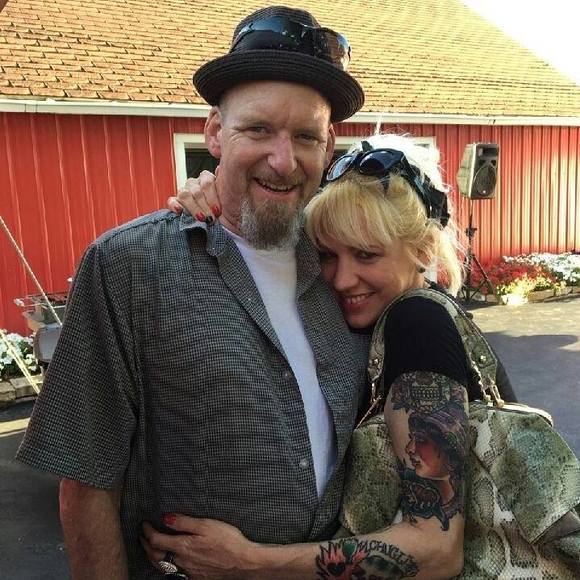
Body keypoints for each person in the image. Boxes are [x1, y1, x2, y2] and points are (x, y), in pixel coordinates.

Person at [16, 6, 370, 579]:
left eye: (305, 136)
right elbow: (85, 481)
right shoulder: (130, 264)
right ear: (213, 133)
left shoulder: (346, 265)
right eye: (258, 129)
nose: (283, 160)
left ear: (328, 145)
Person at [141, 133, 517, 578]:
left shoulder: (416, 324)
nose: (341, 279)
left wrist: (248, 563)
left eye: (366, 255)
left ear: (421, 251)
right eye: (327, 255)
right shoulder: (391, 315)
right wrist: (217, 195)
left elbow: (437, 548)